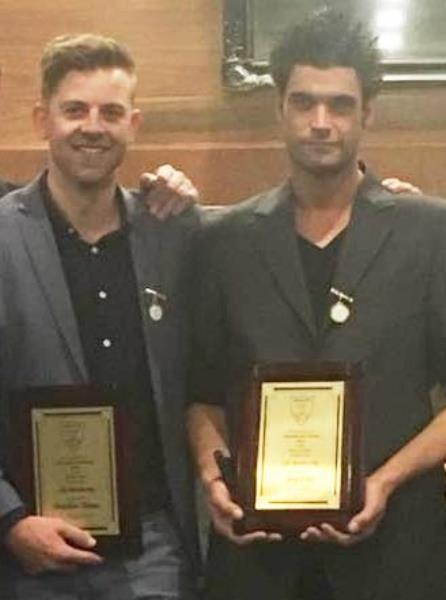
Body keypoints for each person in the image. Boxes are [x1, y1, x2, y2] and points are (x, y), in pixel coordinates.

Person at [187, 8, 446, 600]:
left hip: (396, 557)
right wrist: (214, 476)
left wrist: (382, 482)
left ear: (368, 113)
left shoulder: (431, 233)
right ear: (280, 109)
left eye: (340, 104)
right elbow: (201, 392)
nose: (321, 122)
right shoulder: (222, 241)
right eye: (304, 103)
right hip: (257, 564)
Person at [0, 33, 200, 600]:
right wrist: (10, 521)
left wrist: (386, 189)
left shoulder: (176, 231)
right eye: (74, 110)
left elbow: (268, 223)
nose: (93, 126)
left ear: (134, 124)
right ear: (43, 119)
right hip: (28, 554)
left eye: (111, 112)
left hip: (154, 551)